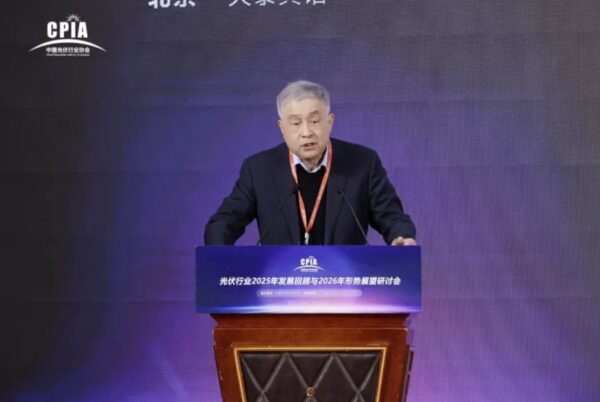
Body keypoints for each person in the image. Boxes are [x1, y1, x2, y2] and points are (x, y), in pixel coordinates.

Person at [204, 80, 416, 246]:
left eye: (314, 121)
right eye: (296, 123)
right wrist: (217, 254)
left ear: (330, 122)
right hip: (280, 283)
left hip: (345, 282)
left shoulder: (362, 162)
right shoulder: (259, 169)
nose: (306, 132)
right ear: (282, 128)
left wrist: (402, 237)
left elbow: (391, 216)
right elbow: (224, 222)